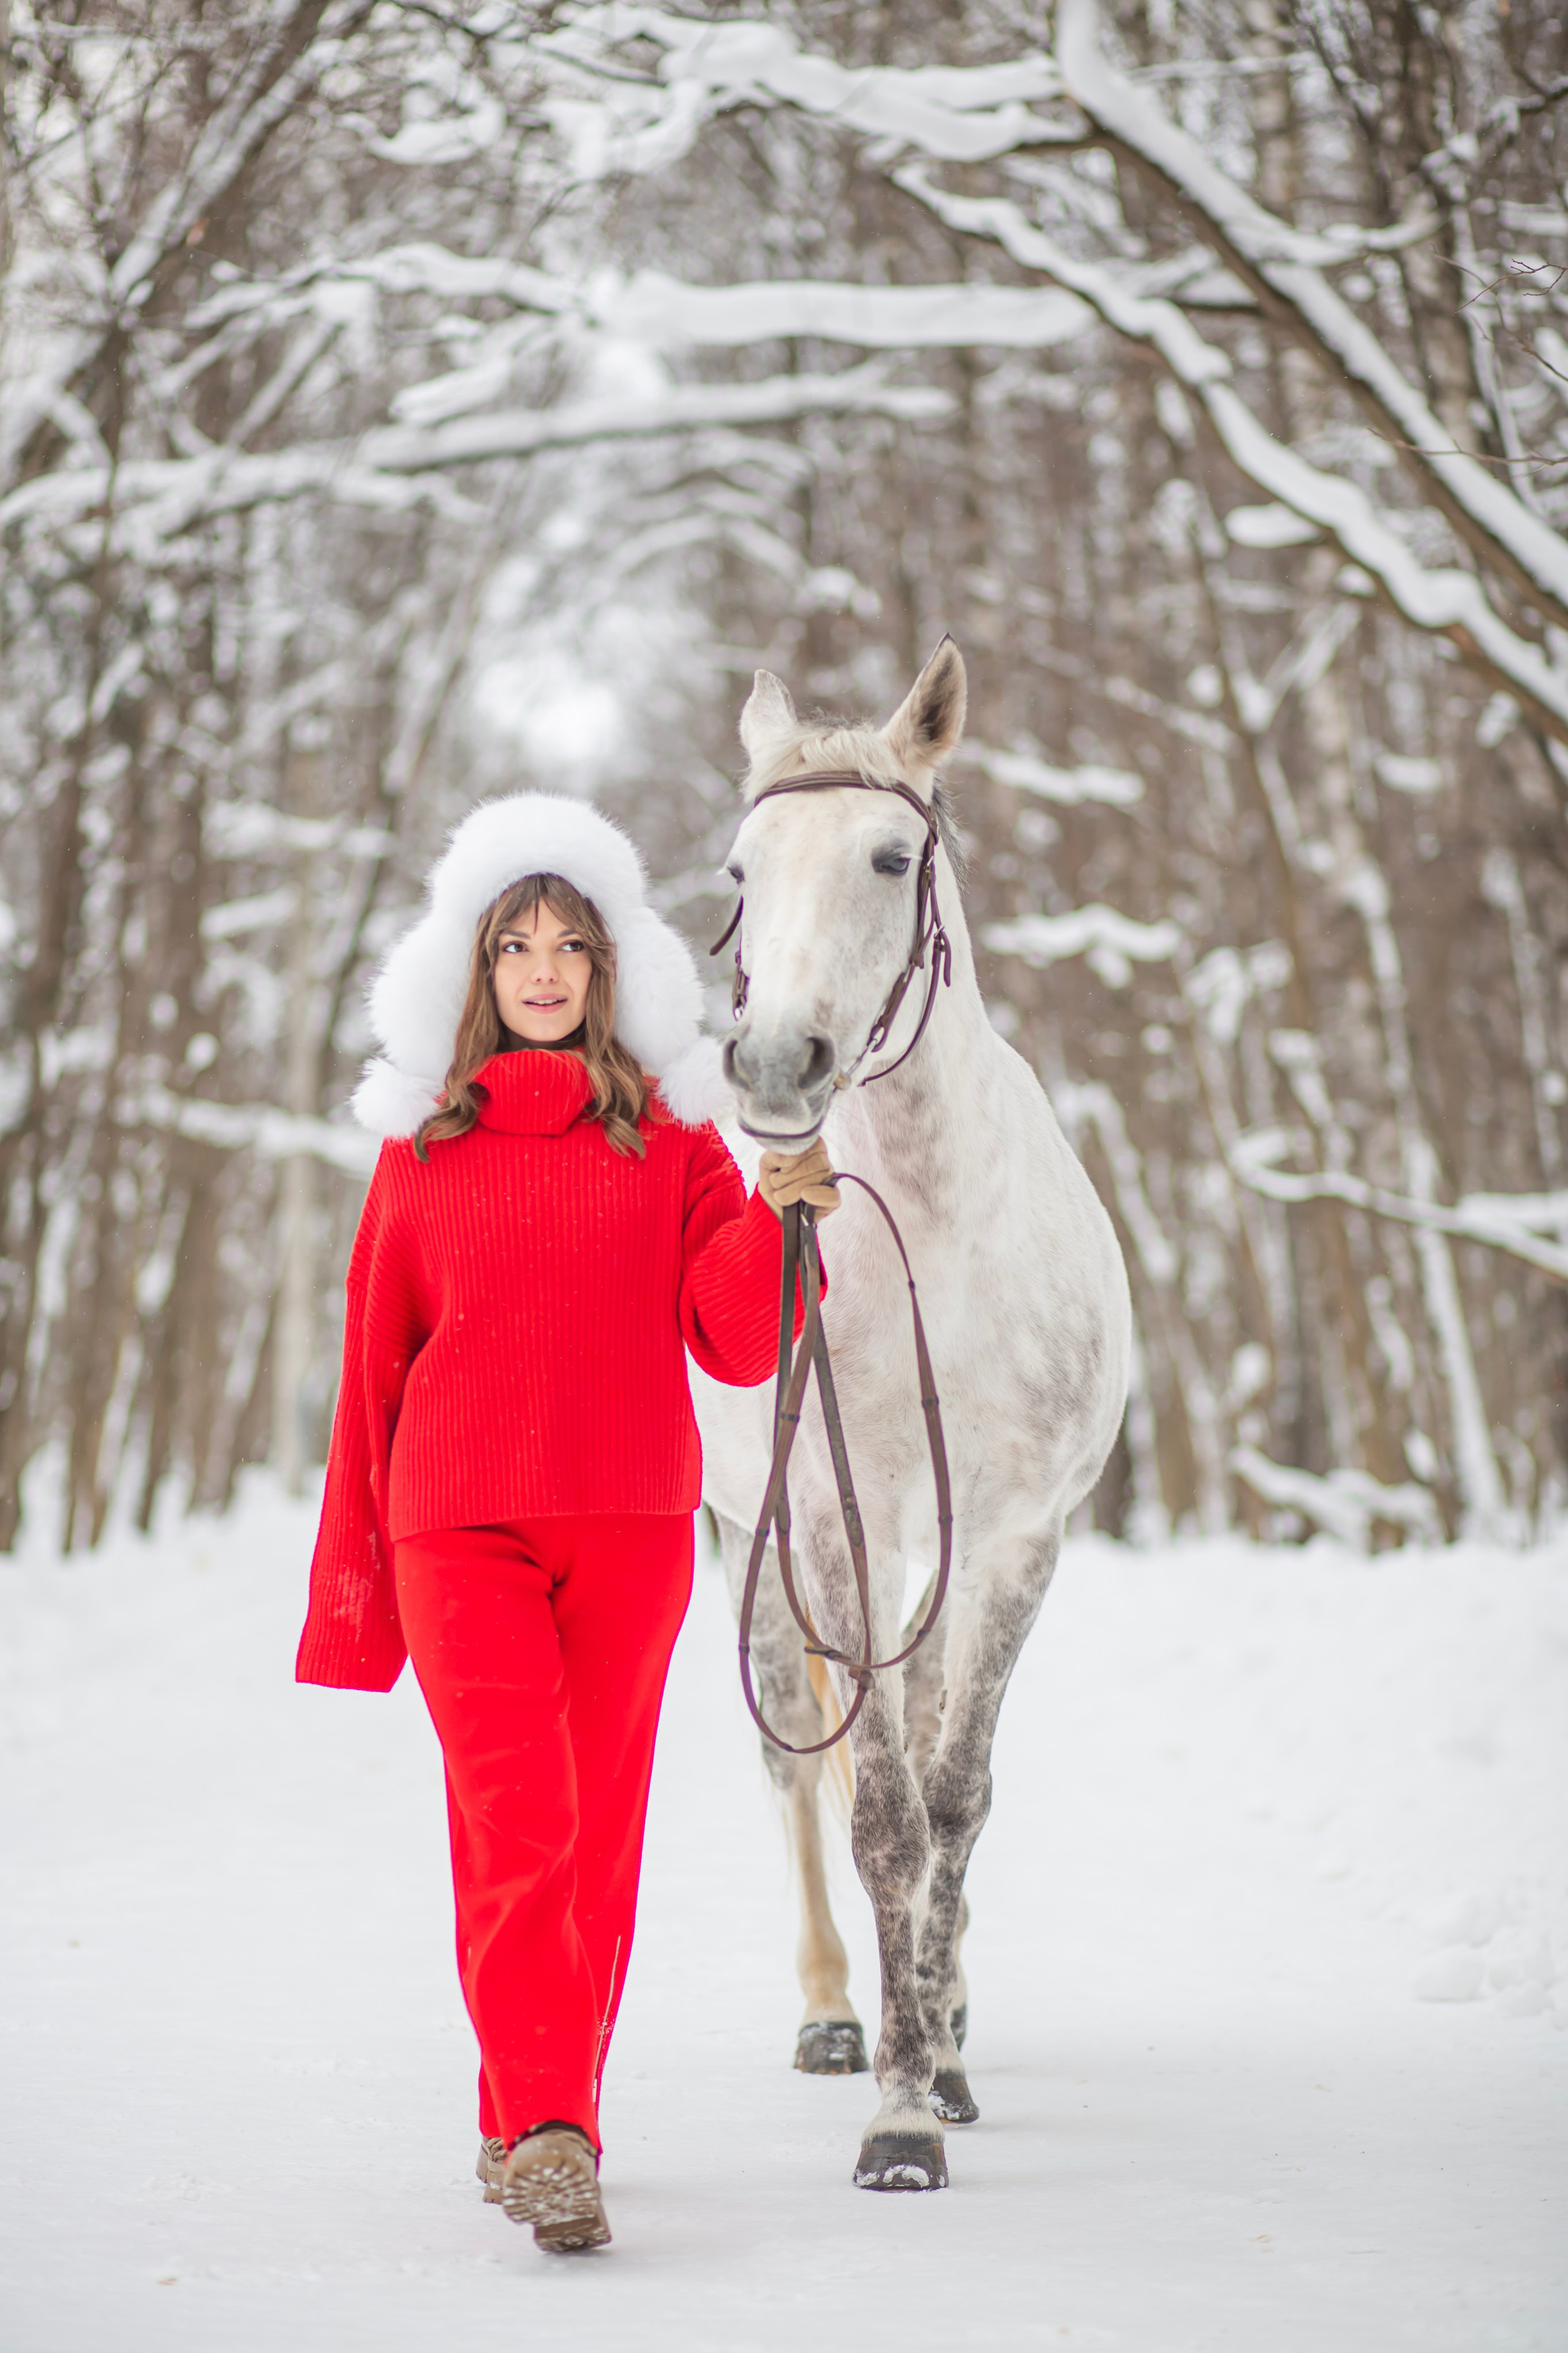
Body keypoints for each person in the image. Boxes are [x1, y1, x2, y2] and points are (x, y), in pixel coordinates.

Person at [296, 795, 837, 2253]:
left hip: (631, 1522)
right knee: (516, 1818)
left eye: (570, 946)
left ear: (609, 970)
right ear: (472, 972)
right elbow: (372, 1377)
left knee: (594, 1841)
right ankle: (549, 2125)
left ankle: (534, 2111)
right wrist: (349, 1595)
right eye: (514, 944)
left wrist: (782, 1221)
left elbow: (731, 1342)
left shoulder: (671, 1139)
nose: (543, 968)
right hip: (454, 1528)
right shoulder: (419, 1152)